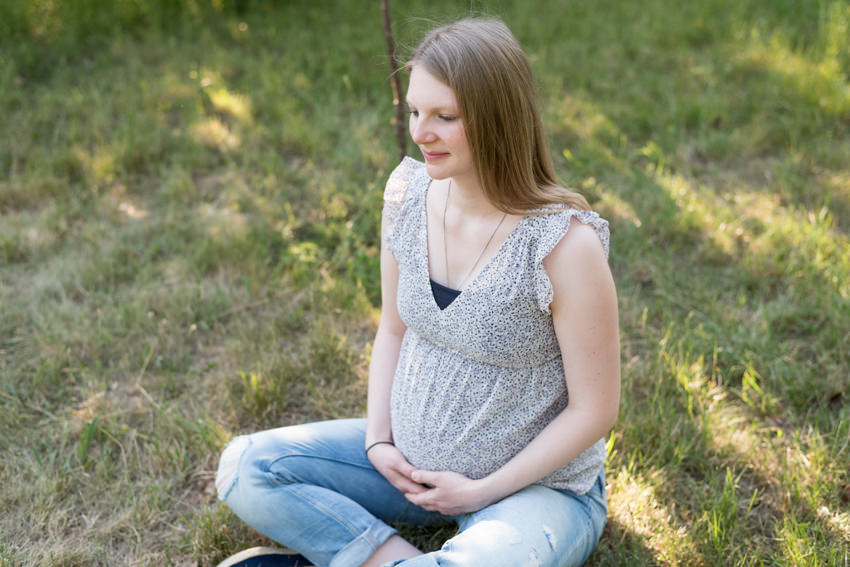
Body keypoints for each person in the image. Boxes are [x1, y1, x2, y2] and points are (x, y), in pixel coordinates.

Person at [215, 16, 620, 567]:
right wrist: (379, 442)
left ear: (499, 120)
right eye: (414, 111)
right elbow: (393, 328)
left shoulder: (565, 245)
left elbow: (594, 410)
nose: (420, 132)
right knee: (247, 467)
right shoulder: (408, 195)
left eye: (444, 117)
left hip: (535, 493)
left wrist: (481, 491)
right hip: (409, 471)